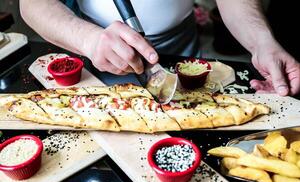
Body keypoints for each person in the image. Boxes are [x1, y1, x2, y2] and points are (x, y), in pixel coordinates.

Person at [20, 0, 300, 96]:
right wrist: (88, 40)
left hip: (184, 54)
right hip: (98, 56)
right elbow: (32, 4)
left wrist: (261, 40)